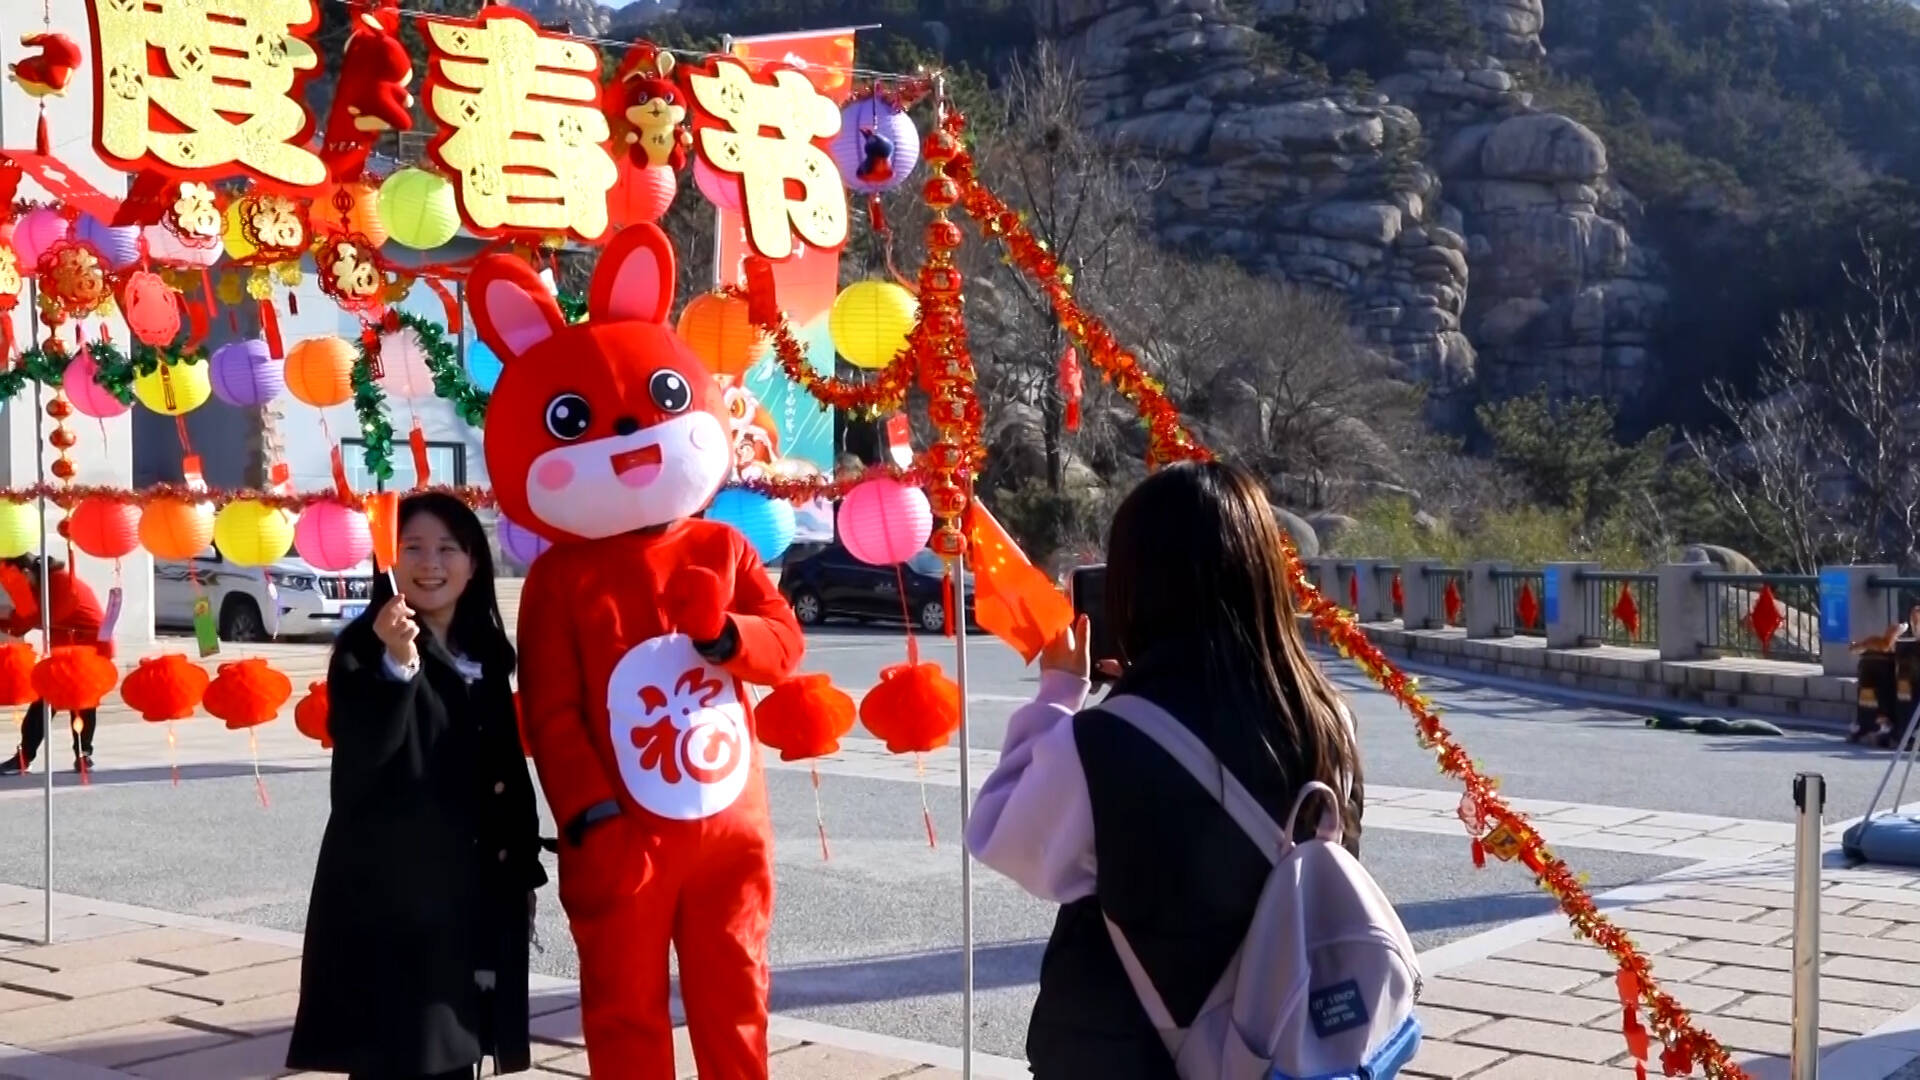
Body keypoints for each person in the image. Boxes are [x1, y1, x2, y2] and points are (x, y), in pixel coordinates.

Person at [967, 460, 1366, 1079]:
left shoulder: (1104, 742)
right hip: (1288, 1043)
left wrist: (1058, 693)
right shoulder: (1326, 716)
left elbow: (1002, 834)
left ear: (1139, 588)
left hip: (1126, 1052)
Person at [288, 493, 546, 1079]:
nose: (430, 563)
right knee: (404, 1052)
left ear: (474, 563)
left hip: (477, 889)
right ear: (390, 559)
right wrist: (398, 665)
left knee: (460, 1046)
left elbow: (508, 770)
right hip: (399, 898)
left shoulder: (485, 654)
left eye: (447, 549)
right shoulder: (363, 650)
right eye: (413, 548)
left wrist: (523, 871)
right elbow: (364, 759)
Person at [0, 555, 111, 775]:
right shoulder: (42, 582)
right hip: (66, 649)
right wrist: (10, 619)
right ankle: (37, 756)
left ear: (24, 573)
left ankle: (81, 755)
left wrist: (10, 616)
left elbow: (44, 615)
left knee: (79, 703)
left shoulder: (59, 581)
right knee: (47, 703)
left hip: (87, 647)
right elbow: (23, 622)